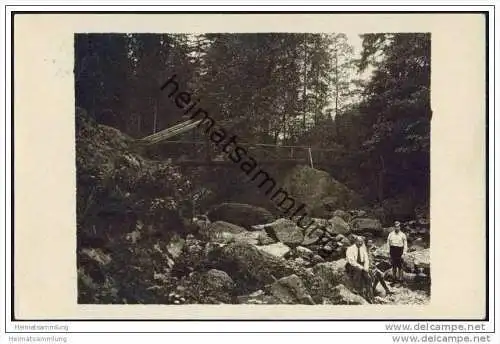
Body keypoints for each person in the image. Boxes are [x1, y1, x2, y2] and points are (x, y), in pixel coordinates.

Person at [345, 236, 373, 302]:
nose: (360, 243)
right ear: (355, 241)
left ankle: (369, 295)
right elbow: (351, 261)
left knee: (368, 277)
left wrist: (366, 268)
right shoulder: (350, 249)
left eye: (361, 242)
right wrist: (362, 268)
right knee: (358, 270)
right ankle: (356, 289)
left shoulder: (363, 249)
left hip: (361, 265)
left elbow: (366, 260)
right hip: (352, 265)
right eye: (359, 241)